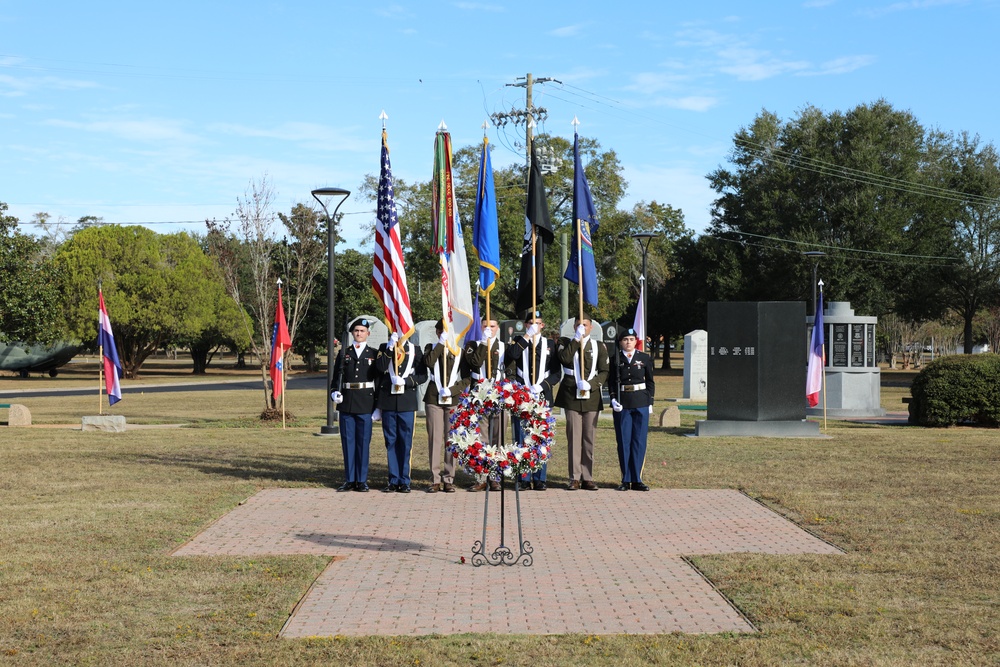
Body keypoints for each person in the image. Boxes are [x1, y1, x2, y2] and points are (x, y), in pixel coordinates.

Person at [505, 310, 561, 490]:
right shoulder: (519, 342)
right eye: (530, 323)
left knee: (540, 439)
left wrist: (543, 385)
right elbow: (511, 356)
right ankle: (522, 478)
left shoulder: (550, 344)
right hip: (522, 397)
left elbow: (556, 373)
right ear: (526, 325)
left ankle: (539, 478)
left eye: (537, 323)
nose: (534, 326)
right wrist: (526, 337)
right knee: (521, 439)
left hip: (542, 396)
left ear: (543, 325)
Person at [555, 315, 609, 490]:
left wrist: (592, 384)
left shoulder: (599, 346)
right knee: (573, 437)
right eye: (578, 325)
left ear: (591, 327)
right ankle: (574, 477)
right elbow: (564, 359)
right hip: (571, 394)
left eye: (585, 325)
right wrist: (576, 339)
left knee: (588, 438)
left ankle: (588, 477)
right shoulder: (565, 343)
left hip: (591, 396)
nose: (582, 327)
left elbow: (604, 371)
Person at [374, 331, 427, 493]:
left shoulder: (415, 349)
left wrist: (406, 381)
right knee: (390, 441)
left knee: (405, 442)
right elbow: (380, 368)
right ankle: (393, 479)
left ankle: (404, 480)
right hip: (388, 401)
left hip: (406, 402)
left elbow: (423, 375)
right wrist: (390, 348)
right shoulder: (384, 347)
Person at [330, 317, 379, 492]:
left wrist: (378, 407)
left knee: (363, 442)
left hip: (366, 402)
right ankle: (350, 479)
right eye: (356, 331)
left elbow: (378, 381)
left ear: (368, 334)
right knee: (348, 442)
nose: (359, 333)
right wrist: (334, 392)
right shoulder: (344, 353)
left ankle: (362, 480)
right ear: (352, 333)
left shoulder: (374, 354)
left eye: (362, 331)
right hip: (347, 402)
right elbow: (336, 377)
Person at [420, 320, 469, 493]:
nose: (443, 333)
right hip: (434, 397)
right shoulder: (431, 347)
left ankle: (449, 478)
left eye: (447, 331)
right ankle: (435, 478)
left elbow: (467, 377)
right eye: (441, 331)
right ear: (437, 332)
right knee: (434, 439)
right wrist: (441, 344)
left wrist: (454, 389)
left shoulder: (460, 352)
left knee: (451, 440)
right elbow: (428, 362)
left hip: (452, 398)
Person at [608, 327, 655, 491]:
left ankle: (637, 479)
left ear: (636, 341)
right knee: (624, 441)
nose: (628, 342)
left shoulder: (644, 358)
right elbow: (611, 382)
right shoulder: (615, 359)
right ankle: (625, 478)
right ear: (620, 342)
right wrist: (613, 399)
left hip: (641, 401)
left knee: (639, 441)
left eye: (631, 339)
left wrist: (650, 402)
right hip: (623, 404)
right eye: (625, 340)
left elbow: (650, 381)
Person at [463, 319, 507, 492]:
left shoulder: (504, 347)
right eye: (485, 326)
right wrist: (483, 343)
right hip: (479, 398)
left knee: (498, 439)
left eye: (492, 326)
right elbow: (474, 362)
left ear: (497, 328)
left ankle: (495, 478)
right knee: (481, 440)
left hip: (499, 398)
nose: (489, 329)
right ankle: (481, 477)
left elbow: (509, 370)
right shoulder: (473, 345)